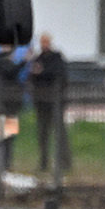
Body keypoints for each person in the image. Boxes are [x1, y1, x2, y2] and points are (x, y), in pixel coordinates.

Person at [27, 34, 69, 175]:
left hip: (55, 101)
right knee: (43, 134)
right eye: (42, 42)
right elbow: (32, 76)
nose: (44, 44)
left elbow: (58, 74)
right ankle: (44, 162)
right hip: (41, 102)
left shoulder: (56, 58)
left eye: (46, 42)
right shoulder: (38, 59)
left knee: (60, 133)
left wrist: (41, 72)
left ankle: (65, 162)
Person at [0, 43, 24, 175]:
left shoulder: (8, 65)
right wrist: (24, 61)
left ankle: (7, 163)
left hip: (11, 107)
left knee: (9, 136)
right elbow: (11, 72)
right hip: (0, 106)